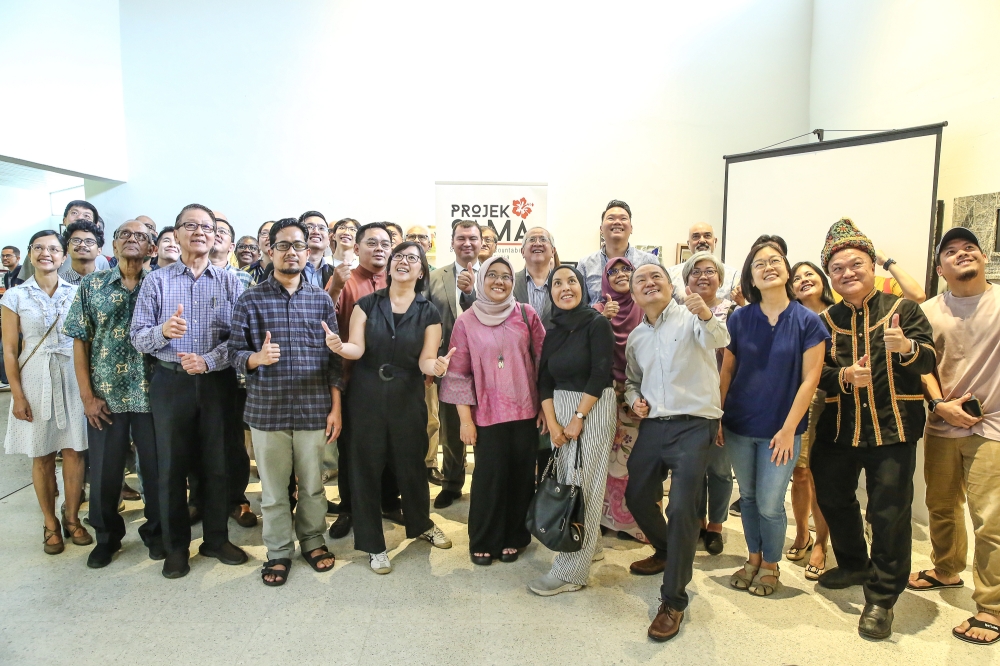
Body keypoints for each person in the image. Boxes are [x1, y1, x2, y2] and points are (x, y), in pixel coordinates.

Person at [811, 218, 935, 640]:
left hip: (893, 427)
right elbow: (813, 373)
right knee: (831, 495)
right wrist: (843, 376)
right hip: (839, 428)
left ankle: (882, 597)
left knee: (888, 515)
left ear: (871, 265)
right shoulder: (825, 319)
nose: (847, 273)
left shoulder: (904, 310)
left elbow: (929, 363)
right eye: (838, 268)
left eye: (855, 264)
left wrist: (907, 349)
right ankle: (852, 563)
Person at [131, 203, 248, 579]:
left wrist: (209, 361)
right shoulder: (156, 281)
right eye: (190, 226)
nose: (199, 232)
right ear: (176, 234)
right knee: (171, 468)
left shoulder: (230, 281)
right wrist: (163, 332)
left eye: (207, 227)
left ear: (217, 238)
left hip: (216, 383)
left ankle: (216, 539)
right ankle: (176, 547)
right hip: (171, 382)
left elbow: (238, 340)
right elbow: (137, 338)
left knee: (218, 465)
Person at [325, 241, 455, 574]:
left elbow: (426, 360)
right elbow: (356, 348)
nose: (403, 262)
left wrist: (436, 367)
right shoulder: (367, 304)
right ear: (390, 266)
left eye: (412, 258)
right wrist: (340, 346)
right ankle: (373, 545)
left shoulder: (429, 311)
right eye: (399, 257)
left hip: (407, 397)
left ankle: (421, 523)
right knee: (365, 469)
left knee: (411, 465)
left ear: (421, 270)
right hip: (365, 396)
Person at [229, 218, 342, 586]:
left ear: (308, 252)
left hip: (313, 408)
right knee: (274, 491)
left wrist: (336, 406)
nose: (291, 252)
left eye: (298, 245)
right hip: (267, 410)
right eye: (283, 245)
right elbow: (233, 352)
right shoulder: (250, 299)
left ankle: (312, 541)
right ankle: (278, 551)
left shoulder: (321, 299)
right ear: (270, 250)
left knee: (312, 485)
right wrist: (254, 359)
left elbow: (335, 358)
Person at [622, 262, 730, 641]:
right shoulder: (635, 337)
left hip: (693, 423)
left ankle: (674, 600)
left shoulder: (692, 317)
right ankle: (667, 550)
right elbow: (632, 382)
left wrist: (705, 313)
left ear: (671, 286)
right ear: (634, 294)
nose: (649, 283)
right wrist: (634, 400)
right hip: (654, 425)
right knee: (636, 495)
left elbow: (719, 339)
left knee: (683, 507)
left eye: (657, 277)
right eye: (641, 281)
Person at [719, 240, 828, 597]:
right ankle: (752, 557)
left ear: (787, 270)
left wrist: (788, 430)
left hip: (781, 430)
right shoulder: (740, 317)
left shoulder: (808, 321)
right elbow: (728, 370)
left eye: (775, 261)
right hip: (738, 424)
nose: (768, 266)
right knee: (748, 498)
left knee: (769, 502)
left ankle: (770, 564)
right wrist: (718, 415)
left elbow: (811, 380)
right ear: (751, 276)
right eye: (759, 263)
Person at [908, 227, 1000, 646]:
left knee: (991, 520)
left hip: (993, 427)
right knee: (941, 504)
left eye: (970, 248)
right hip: (942, 422)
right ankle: (946, 569)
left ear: (983, 258)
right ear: (941, 268)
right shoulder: (928, 311)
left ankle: (992, 607)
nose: (963, 254)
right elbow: (923, 364)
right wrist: (937, 404)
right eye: (952, 252)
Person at [64, 220, 162, 568]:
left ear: (152, 248)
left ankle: (157, 533)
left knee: (156, 471)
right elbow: (80, 340)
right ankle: (106, 538)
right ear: (114, 246)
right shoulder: (92, 285)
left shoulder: (161, 284)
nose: (132, 240)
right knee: (105, 473)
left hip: (153, 396)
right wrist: (86, 396)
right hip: (105, 397)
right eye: (125, 235)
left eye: (141, 236)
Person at [440, 256, 545, 565]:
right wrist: (465, 421)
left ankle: (514, 536)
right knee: (488, 479)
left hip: (525, 413)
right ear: (482, 280)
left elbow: (542, 363)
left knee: (522, 479)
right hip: (487, 415)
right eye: (493, 276)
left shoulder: (526, 314)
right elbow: (458, 373)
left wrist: (544, 408)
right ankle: (484, 539)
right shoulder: (466, 321)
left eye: (506, 277)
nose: (500, 281)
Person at [527, 265, 615, 596]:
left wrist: (578, 416)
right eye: (557, 283)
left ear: (582, 287)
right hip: (561, 411)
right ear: (549, 292)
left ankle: (570, 572)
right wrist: (552, 422)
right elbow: (545, 380)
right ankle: (589, 546)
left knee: (585, 486)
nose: (565, 288)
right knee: (568, 482)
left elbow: (600, 372)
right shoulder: (554, 328)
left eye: (572, 282)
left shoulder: (597, 323)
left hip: (592, 408)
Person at [2, 230, 89, 555]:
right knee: (41, 454)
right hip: (35, 377)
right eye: (39, 248)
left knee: (74, 451)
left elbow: (83, 340)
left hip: (71, 373)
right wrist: (18, 395)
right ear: (30, 253)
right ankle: (49, 523)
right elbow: (10, 350)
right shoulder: (15, 296)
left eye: (53, 249)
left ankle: (72, 518)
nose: (46, 253)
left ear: (63, 256)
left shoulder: (76, 292)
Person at [325, 222, 401, 539]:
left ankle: (387, 500)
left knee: (391, 446)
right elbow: (323, 319)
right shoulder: (346, 281)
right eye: (371, 243)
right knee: (353, 450)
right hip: (353, 380)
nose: (379, 248)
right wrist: (334, 288)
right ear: (357, 249)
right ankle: (348, 508)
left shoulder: (399, 281)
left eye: (385, 243)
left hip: (392, 381)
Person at [677, 251, 737, 555]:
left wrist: (725, 411)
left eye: (709, 271)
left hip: (723, 401)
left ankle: (716, 525)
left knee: (721, 470)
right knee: (693, 469)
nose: (703, 276)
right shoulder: (677, 313)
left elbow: (734, 360)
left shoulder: (733, 312)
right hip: (689, 405)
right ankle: (698, 520)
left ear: (720, 278)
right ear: (686, 280)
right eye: (695, 271)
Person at [427, 219, 483, 508]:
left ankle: (486, 482)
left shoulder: (493, 273)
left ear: (481, 242)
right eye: (461, 238)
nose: (467, 243)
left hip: (487, 366)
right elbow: (425, 319)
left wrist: (471, 293)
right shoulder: (436, 277)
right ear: (452, 242)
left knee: (485, 427)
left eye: (473, 238)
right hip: (449, 365)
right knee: (451, 428)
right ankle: (451, 483)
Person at [787, 261, 835, 580]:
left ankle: (821, 543)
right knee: (800, 472)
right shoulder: (788, 318)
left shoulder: (839, 315)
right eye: (797, 277)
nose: (804, 280)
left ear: (822, 280)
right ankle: (802, 533)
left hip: (832, 402)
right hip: (797, 403)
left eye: (810, 274)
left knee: (821, 475)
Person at [593, 257, 645, 540]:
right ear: (605, 278)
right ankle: (601, 518)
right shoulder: (597, 310)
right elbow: (589, 348)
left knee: (630, 460)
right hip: (605, 394)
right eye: (613, 271)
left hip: (637, 393)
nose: (621, 274)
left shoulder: (645, 307)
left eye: (627, 269)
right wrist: (603, 320)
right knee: (604, 455)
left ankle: (627, 521)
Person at [404, 223, 444, 482]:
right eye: (412, 237)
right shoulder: (397, 277)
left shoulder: (438, 277)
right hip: (401, 363)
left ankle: (429, 463)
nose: (418, 240)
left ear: (431, 243)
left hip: (429, 361)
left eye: (423, 237)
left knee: (431, 416)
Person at [576, 200, 659, 305]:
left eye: (623, 218)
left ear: (631, 228)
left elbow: (660, 299)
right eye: (611, 218)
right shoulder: (585, 264)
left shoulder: (649, 261)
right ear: (601, 229)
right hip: (598, 321)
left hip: (642, 321)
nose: (617, 222)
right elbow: (580, 306)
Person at [21, 201, 109, 281]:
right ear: (64, 220)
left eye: (86, 216)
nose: (79, 218)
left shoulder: (101, 259)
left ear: (95, 224)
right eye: (74, 213)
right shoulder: (41, 250)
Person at [667, 224, 740, 305]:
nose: (702, 240)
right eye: (696, 236)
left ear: (715, 241)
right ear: (688, 243)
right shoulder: (671, 274)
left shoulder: (734, 276)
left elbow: (738, 310)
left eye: (707, 236)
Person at [513, 227, 555, 328]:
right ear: (522, 251)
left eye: (543, 239)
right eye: (531, 240)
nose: (537, 243)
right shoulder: (510, 282)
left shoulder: (563, 285)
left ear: (553, 251)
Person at [209, 217, 253, 288]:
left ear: (231, 247)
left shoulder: (244, 277)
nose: (216, 234)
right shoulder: (193, 273)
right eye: (212, 230)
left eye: (222, 231)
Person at [59, 220, 104, 285]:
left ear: (99, 250)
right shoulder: (58, 282)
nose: (82, 245)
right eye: (76, 240)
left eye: (89, 241)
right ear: (67, 248)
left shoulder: (109, 281)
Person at [298, 211, 336, 288]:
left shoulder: (335, 273)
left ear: (328, 239)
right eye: (309, 227)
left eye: (321, 228)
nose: (316, 231)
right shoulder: (283, 267)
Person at [246, 221, 275, 285]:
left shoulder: (291, 269)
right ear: (258, 243)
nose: (269, 237)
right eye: (264, 233)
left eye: (274, 233)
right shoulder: (246, 272)